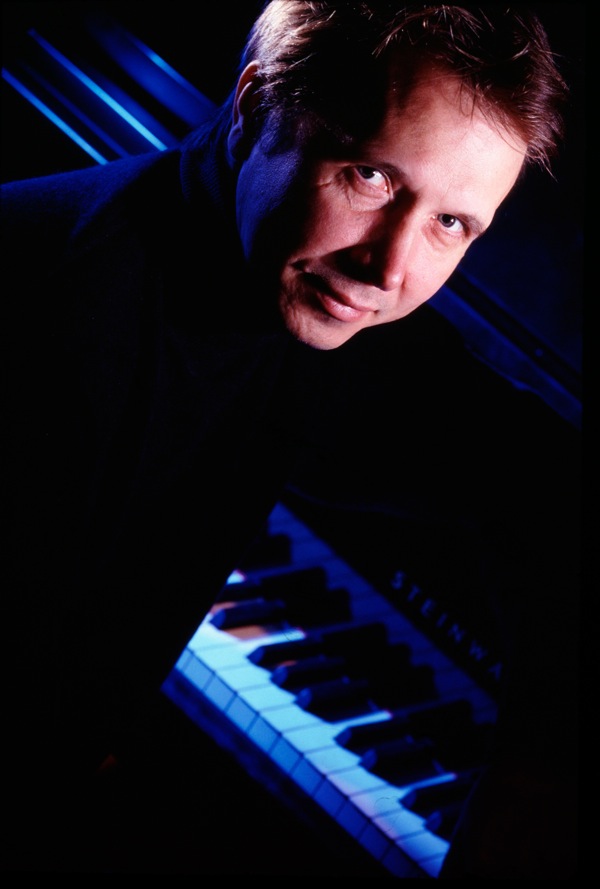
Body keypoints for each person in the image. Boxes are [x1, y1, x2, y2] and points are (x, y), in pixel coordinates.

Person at [2, 1, 580, 877]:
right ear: (255, 106)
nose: (390, 269)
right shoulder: (47, 314)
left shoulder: (317, 293)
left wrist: (533, 777)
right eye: (371, 176)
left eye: (450, 224)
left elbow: (548, 482)